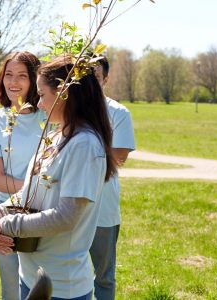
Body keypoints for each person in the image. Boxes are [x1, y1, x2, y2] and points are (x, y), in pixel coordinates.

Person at [0, 55, 118, 300]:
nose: (40, 103)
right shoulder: (56, 137)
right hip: (32, 277)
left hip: (61, 285)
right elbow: (27, 194)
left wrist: (6, 226)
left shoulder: (85, 145)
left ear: (64, 94)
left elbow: (66, 217)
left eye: (42, 94)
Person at [0, 51, 45, 300]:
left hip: (45, 213)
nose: (13, 83)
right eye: (8, 75)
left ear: (35, 81)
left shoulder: (49, 119)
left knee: (43, 285)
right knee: (12, 287)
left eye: (21, 76)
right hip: (5, 214)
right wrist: (36, 190)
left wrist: (40, 198)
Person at [89, 57, 135, 300]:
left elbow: (119, 156)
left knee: (103, 276)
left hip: (103, 207)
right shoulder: (66, 110)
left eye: (95, 77)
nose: (90, 82)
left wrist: (80, 158)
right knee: (66, 272)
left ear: (105, 79)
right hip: (65, 207)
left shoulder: (118, 113)